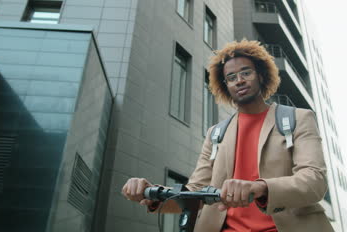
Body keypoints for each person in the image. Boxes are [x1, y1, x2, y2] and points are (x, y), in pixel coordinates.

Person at [122, 40, 334, 232]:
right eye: (231, 78)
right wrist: (152, 193)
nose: (239, 80)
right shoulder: (215, 134)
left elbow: (314, 181)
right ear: (225, 86)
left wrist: (260, 187)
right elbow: (194, 192)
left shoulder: (298, 118)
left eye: (246, 73)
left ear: (261, 75)